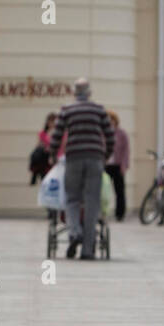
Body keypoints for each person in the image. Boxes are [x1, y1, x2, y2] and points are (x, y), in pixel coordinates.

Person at [49, 78, 115, 259]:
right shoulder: (99, 110)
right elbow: (110, 136)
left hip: (74, 158)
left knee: (72, 199)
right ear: (89, 93)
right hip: (95, 158)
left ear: (74, 93)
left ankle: (75, 232)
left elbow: (56, 135)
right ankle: (87, 249)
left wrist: (54, 154)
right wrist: (106, 154)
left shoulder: (67, 110)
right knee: (92, 201)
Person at [105, 109, 130, 222]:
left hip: (117, 165)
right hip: (105, 165)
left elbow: (126, 151)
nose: (110, 122)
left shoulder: (121, 134)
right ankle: (102, 211)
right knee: (103, 190)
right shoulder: (103, 133)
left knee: (119, 190)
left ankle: (120, 213)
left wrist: (124, 165)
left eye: (112, 120)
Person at [29, 113, 56, 185]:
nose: (52, 124)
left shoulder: (57, 133)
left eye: (53, 122)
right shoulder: (43, 133)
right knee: (45, 181)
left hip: (53, 160)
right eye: (50, 122)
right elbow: (39, 145)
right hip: (44, 161)